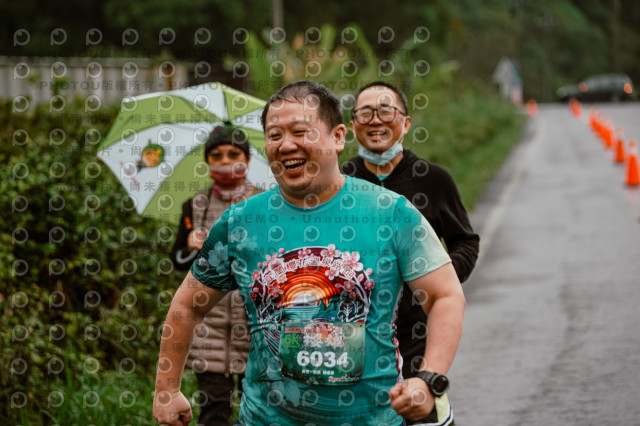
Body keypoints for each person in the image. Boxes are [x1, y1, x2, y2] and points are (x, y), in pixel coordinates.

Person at [153, 80, 465, 426]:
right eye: (274, 135)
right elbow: (187, 305)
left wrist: (428, 379)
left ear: (338, 137)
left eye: (300, 132)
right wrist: (166, 389)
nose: (286, 145)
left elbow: (445, 295)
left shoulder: (391, 212)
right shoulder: (241, 222)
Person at [340, 82, 479, 394]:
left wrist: (433, 283)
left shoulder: (433, 179)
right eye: (365, 113)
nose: (375, 120)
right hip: (353, 335)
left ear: (405, 123)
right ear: (352, 125)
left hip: (417, 333)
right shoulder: (339, 182)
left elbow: (465, 242)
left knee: (419, 404)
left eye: (385, 111)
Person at [170, 123, 263, 425]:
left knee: (259, 413)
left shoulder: (267, 205)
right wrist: (191, 246)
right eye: (217, 155)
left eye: (233, 154)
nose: (225, 161)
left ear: (247, 159)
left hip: (257, 328)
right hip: (207, 330)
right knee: (214, 412)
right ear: (208, 161)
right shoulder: (195, 206)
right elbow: (178, 261)